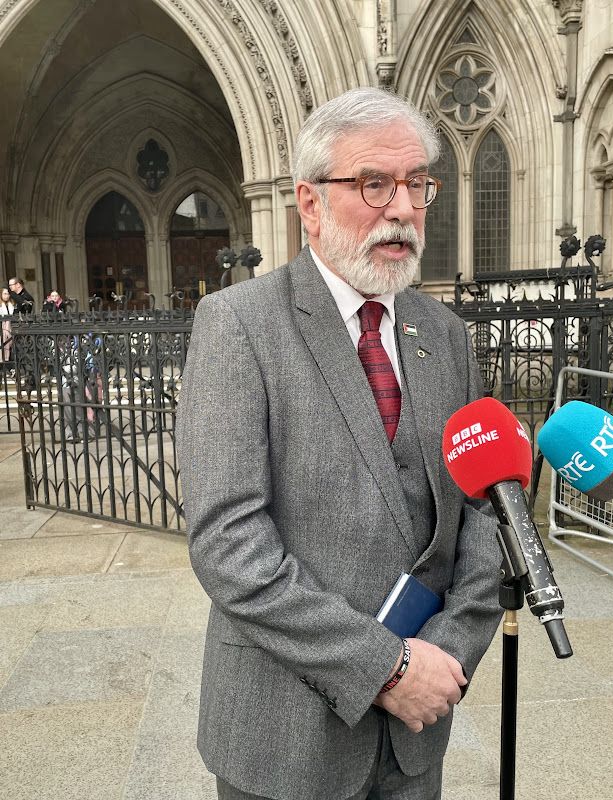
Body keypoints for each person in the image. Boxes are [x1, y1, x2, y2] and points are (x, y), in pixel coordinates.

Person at [176, 87, 503, 800]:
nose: (404, 209)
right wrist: (384, 668)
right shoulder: (238, 325)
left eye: (417, 183)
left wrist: (447, 654)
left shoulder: (446, 335)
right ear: (310, 203)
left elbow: (486, 512)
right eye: (374, 184)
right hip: (284, 738)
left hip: (416, 737)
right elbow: (229, 544)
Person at [0, 287, 15, 366]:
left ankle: (10, 366)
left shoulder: (11, 304)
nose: (7, 296)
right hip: (2, 329)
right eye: (5, 294)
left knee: (10, 347)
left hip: (10, 329)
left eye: (8, 294)